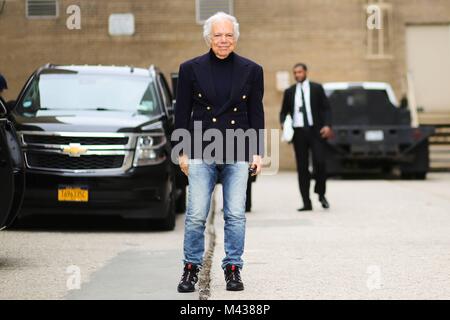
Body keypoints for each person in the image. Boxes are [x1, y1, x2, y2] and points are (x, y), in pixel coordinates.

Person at [174, 12, 265, 292]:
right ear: (208, 38)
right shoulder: (190, 68)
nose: (223, 40)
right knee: (196, 214)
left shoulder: (252, 69)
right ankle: (191, 268)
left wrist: (257, 152)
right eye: (218, 35)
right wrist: (181, 151)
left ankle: (233, 268)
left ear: (235, 37)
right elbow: (182, 112)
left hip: (238, 148)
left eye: (228, 35)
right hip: (201, 148)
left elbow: (256, 111)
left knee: (235, 214)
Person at [279, 63, 332, 212]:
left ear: (306, 72)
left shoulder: (317, 88)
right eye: (295, 73)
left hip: (316, 131)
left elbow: (326, 108)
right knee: (302, 168)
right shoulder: (289, 92)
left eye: (300, 72)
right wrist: (284, 123)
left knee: (320, 163)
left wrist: (327, 125)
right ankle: (306, 202)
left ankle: (321, 194)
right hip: (299, 133)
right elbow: (283, 112)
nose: (297, 75)